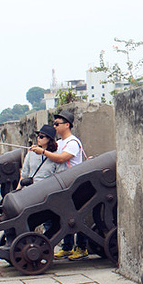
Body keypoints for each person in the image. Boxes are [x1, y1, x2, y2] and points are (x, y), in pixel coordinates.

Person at [36, 110, 87, 259]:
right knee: (63, 217)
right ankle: (67, 247)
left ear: (67, 125)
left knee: (77, 216)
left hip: (73, 184)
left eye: (57, 124)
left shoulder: (72, 142)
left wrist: (43, 152)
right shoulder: (59, 143)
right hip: (62, 184)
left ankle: (82, 248)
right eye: (54, 124)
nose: (55, 126)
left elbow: (61, 159)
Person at [20, 124, 60, 188]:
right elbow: (24, 174)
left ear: (49, 139)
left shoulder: (55, 156)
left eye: (41, 136)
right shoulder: (31, 153)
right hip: (30, 188)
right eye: (38, 136)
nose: (38, 138)